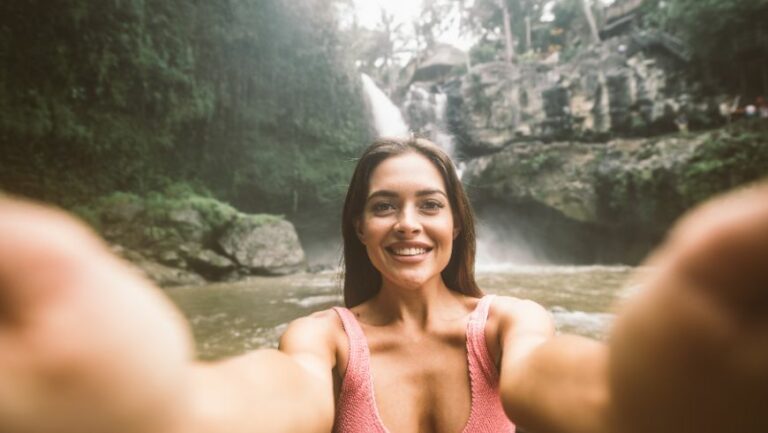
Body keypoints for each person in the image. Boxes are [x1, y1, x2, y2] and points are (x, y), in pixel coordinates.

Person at [0, 137, 767, 433]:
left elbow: (554, 377)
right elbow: (272, 394)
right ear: (359, 228)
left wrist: (642, 399)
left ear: (458, 224)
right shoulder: (323, 339)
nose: (408, 223)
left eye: (429, 204)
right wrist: (163, 407)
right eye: (383, 206)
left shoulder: (509, 323)